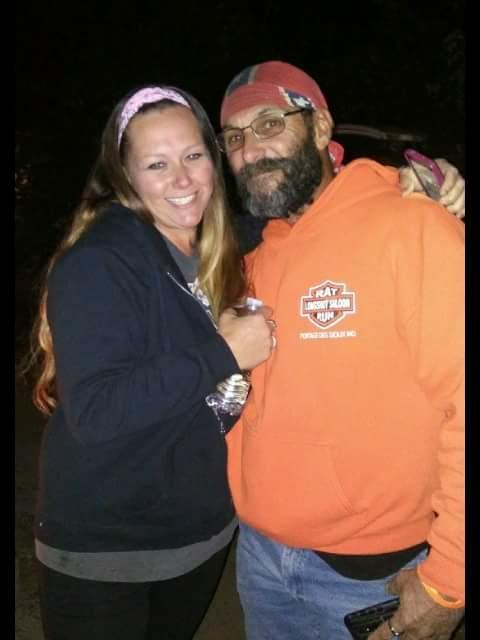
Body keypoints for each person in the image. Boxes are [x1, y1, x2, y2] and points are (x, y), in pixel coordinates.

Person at [218, 61, 464, 639]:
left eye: (270, 123)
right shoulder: (248, 260)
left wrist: (450, 579)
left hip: (371, 578)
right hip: (260, 558)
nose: (251, 150)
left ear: (321, 127)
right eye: (233, 137)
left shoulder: (413, 227)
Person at [29, 84, 275, 640]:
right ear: (125, 177)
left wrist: (395, 184)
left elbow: (298, 213)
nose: (182, 180)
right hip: (106, 553)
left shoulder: (217, 244)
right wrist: (224, 353)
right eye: (157, 164)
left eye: (193, 156)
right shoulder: (100, 262)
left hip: (199, 536)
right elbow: (96, 411)